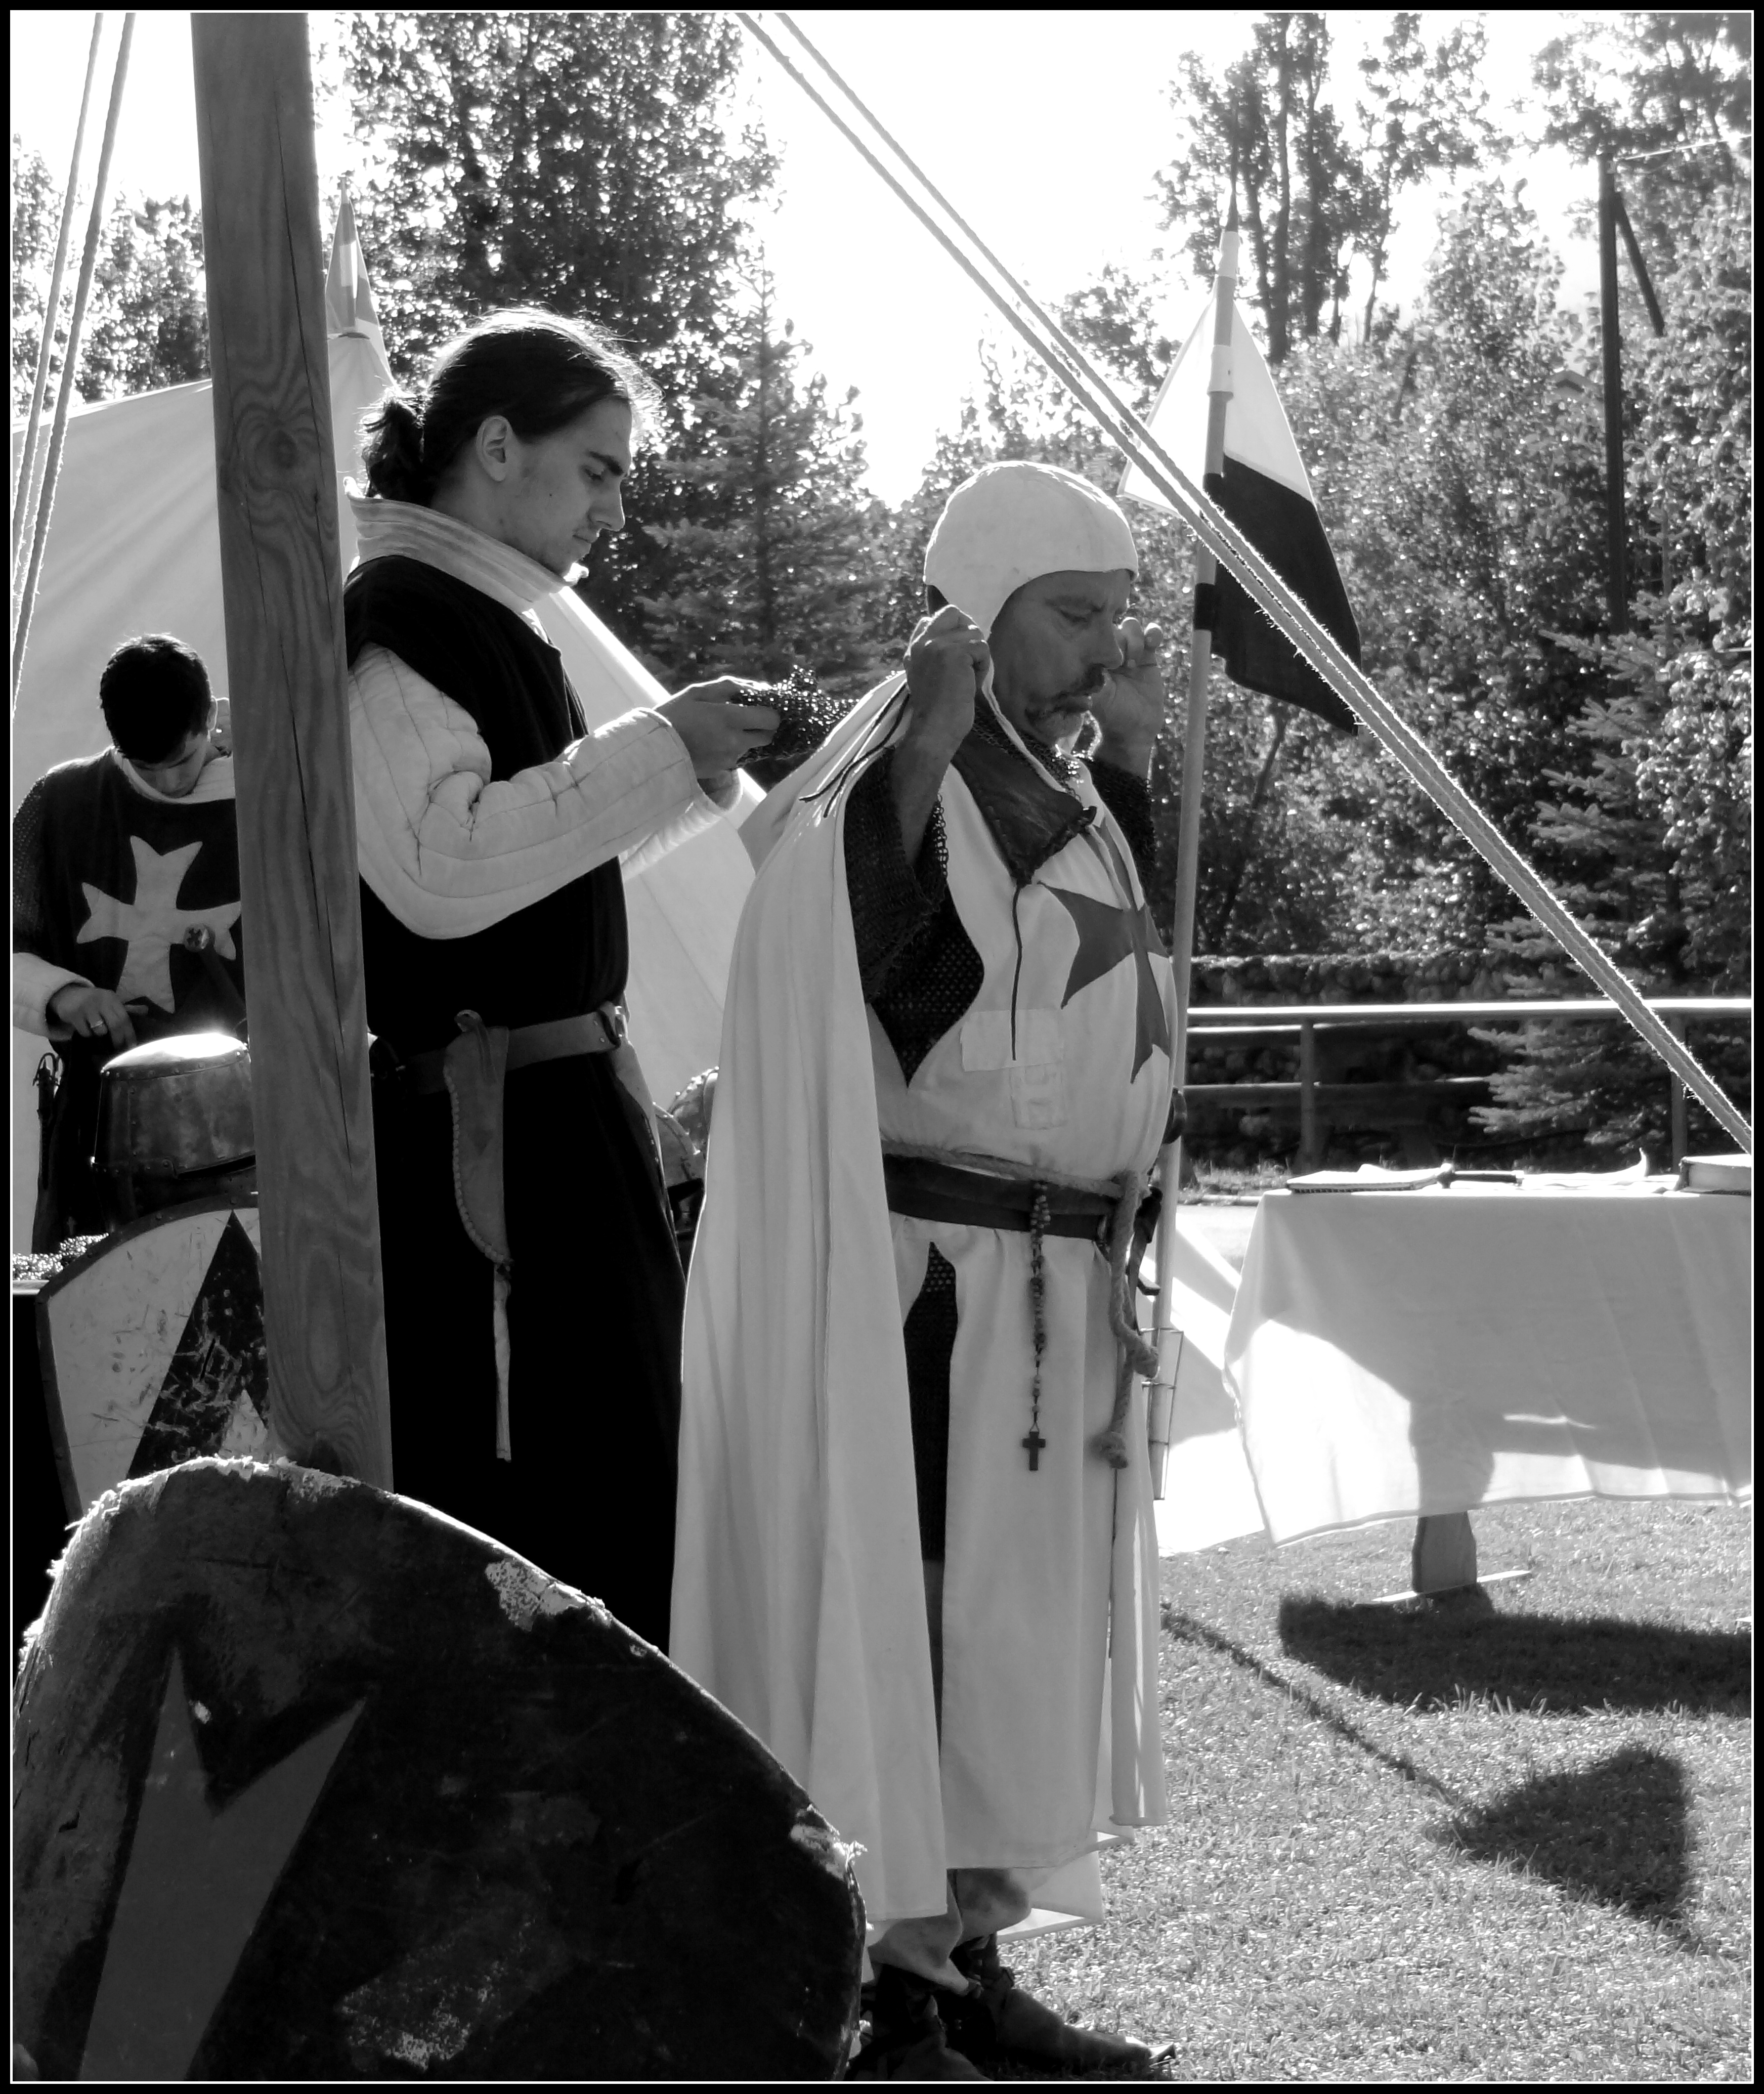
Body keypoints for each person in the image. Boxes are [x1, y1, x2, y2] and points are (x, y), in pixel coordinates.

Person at [674, 461, 1176, 2077]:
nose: (1103, 650)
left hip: (1048, 1288)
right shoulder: (887, 778)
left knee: (1015, 1642)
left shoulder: (1062, 785)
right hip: (935, 1290)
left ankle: (968, 1956)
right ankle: (894, 1996)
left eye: (1113, 618)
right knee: (926, 1623)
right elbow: (894, 989)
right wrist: (927, 745)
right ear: (982, 611)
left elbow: (1092, 1002)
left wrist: (1121, 767)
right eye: (1073, 616)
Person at [346, 308, 775, 1652]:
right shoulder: (399, 614)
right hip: (499, 1152)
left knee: (623, 1489)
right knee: (545, 1514)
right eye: (595, 468)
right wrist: (660, 747)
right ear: (494, 446)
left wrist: (686, 763)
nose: (612, 509)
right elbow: (439, 866)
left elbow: (528, 869)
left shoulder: (480, 619)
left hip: (561, 1128)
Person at [12, 634, 244, 1250]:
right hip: (102, 1127)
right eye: (146, 767)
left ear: (210, 718)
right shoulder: (64, 804)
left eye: (183, 759)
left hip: (248, 1121)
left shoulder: (272, 793)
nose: (169, 781)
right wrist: (63, 995)